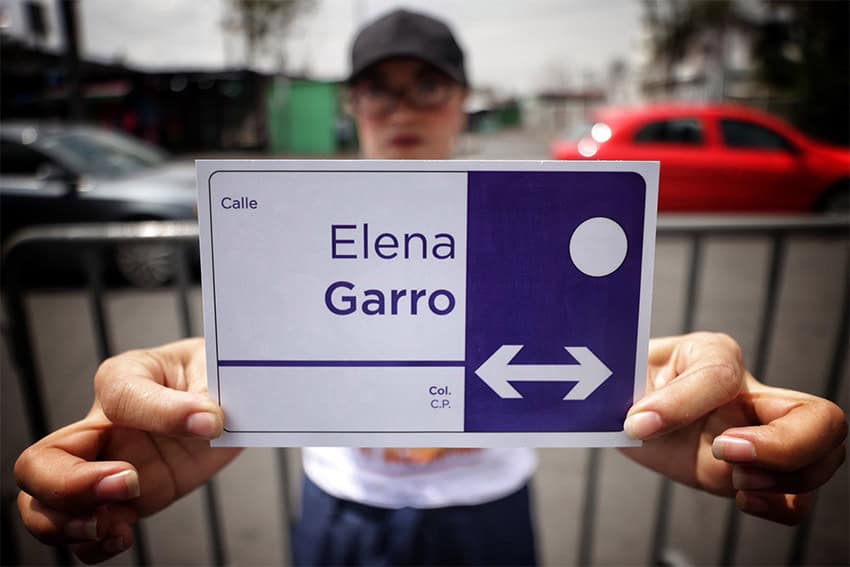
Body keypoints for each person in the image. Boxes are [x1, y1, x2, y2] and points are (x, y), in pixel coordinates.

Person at [14, 9, 847, 566]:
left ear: (462, 101)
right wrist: (194, 380)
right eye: (381, 87)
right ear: (353, 104)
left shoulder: (527, 217)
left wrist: (661, 380)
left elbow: (596, 347)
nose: (403, 107)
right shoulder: (295, 217)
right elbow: (268, 347)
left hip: (486, 506)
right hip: (342, 502)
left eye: (428, 85)